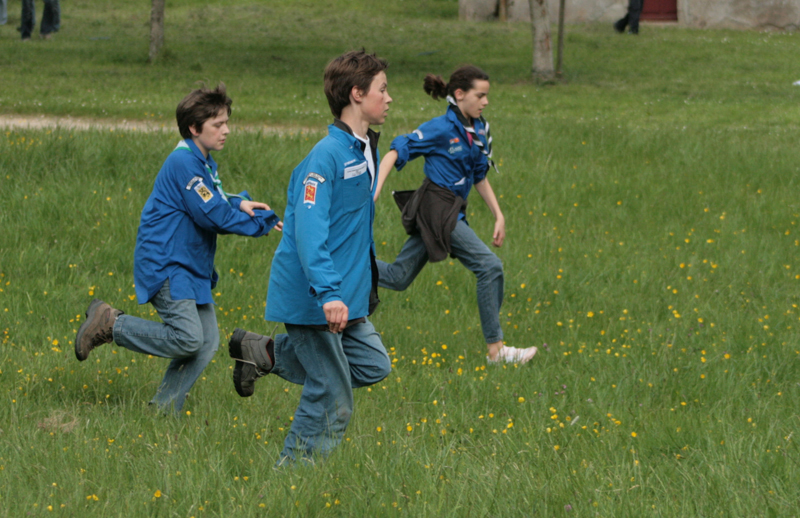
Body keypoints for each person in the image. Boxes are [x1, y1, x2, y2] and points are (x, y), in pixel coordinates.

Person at [74, 84, 282, 415]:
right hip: (167, 263)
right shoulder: (183, 164)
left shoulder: (203, 162)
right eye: (218, 125)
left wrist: (240, 203)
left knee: (206, 341)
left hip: (190, 265)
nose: (226, 130)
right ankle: (111, 324)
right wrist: (262, 224)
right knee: (187, 338)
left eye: (227, 122)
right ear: (194, 128)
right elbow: (210, 213)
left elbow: (216, 197)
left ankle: (162, 409)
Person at [228, 50, 392, 466]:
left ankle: (262, 353)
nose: (389, 98)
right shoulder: (326, 156)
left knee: (373, 364)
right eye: (382, 90)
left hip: (346, 300)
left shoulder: (361, 148)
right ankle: (293, 476)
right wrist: (329, 293)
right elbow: (310, 230)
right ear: (357, 94)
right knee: (333, 395)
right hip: (318, 299)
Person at [372, 65, 537, 365]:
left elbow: (479, 176)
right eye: (480, 95)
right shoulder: (441, 128)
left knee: (398, 277)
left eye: (487, 96)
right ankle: (496, 350)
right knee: (489, 267)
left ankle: (342, 266)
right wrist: (375, 189)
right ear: (460, 94)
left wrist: (499, 215)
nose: (485, 102)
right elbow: (397, 150)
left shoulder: (478, 130)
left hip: (450, 209)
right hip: (436, 208)